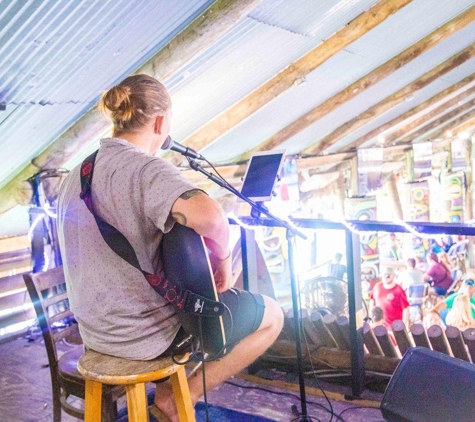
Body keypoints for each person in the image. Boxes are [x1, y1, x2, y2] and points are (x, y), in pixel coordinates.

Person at [57, 74, 284, 421]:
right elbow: (211, 218)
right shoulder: (144, 169)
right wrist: (223, 260)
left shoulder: (77, 173)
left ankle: (168, 393)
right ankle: (177, 399)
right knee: (272, 316)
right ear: (161, 121)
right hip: (143, 337)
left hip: (96, 333)